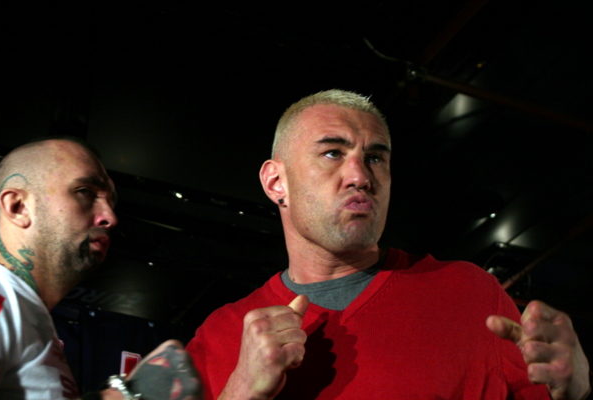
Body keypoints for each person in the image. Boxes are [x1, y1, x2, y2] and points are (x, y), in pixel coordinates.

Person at [185, 90, 591, 400]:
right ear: (277, 182)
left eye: (376, 158)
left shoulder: (470, 294)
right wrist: (240, 391)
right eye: (332, 153)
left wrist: (577, 392)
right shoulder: (219, 335)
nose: (361, 176)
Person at [0, 138, 202, 400]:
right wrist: (125, 396)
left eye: (110, 202)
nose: (110, 218)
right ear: (18, 207)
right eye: (85, 192)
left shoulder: (24, 314)